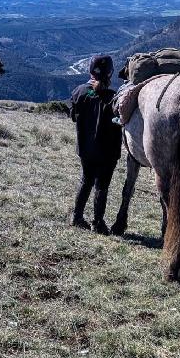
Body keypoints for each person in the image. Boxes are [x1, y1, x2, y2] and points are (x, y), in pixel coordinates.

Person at [67, 54, 122, 234]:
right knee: (102, 186)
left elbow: (73, 116)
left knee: (86, 180)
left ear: (91, 71)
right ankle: (97, 222)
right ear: (110, 73)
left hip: (85, 149)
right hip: (107, 152)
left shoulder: (79, 92)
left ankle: (77, 216)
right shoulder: (115, 98)